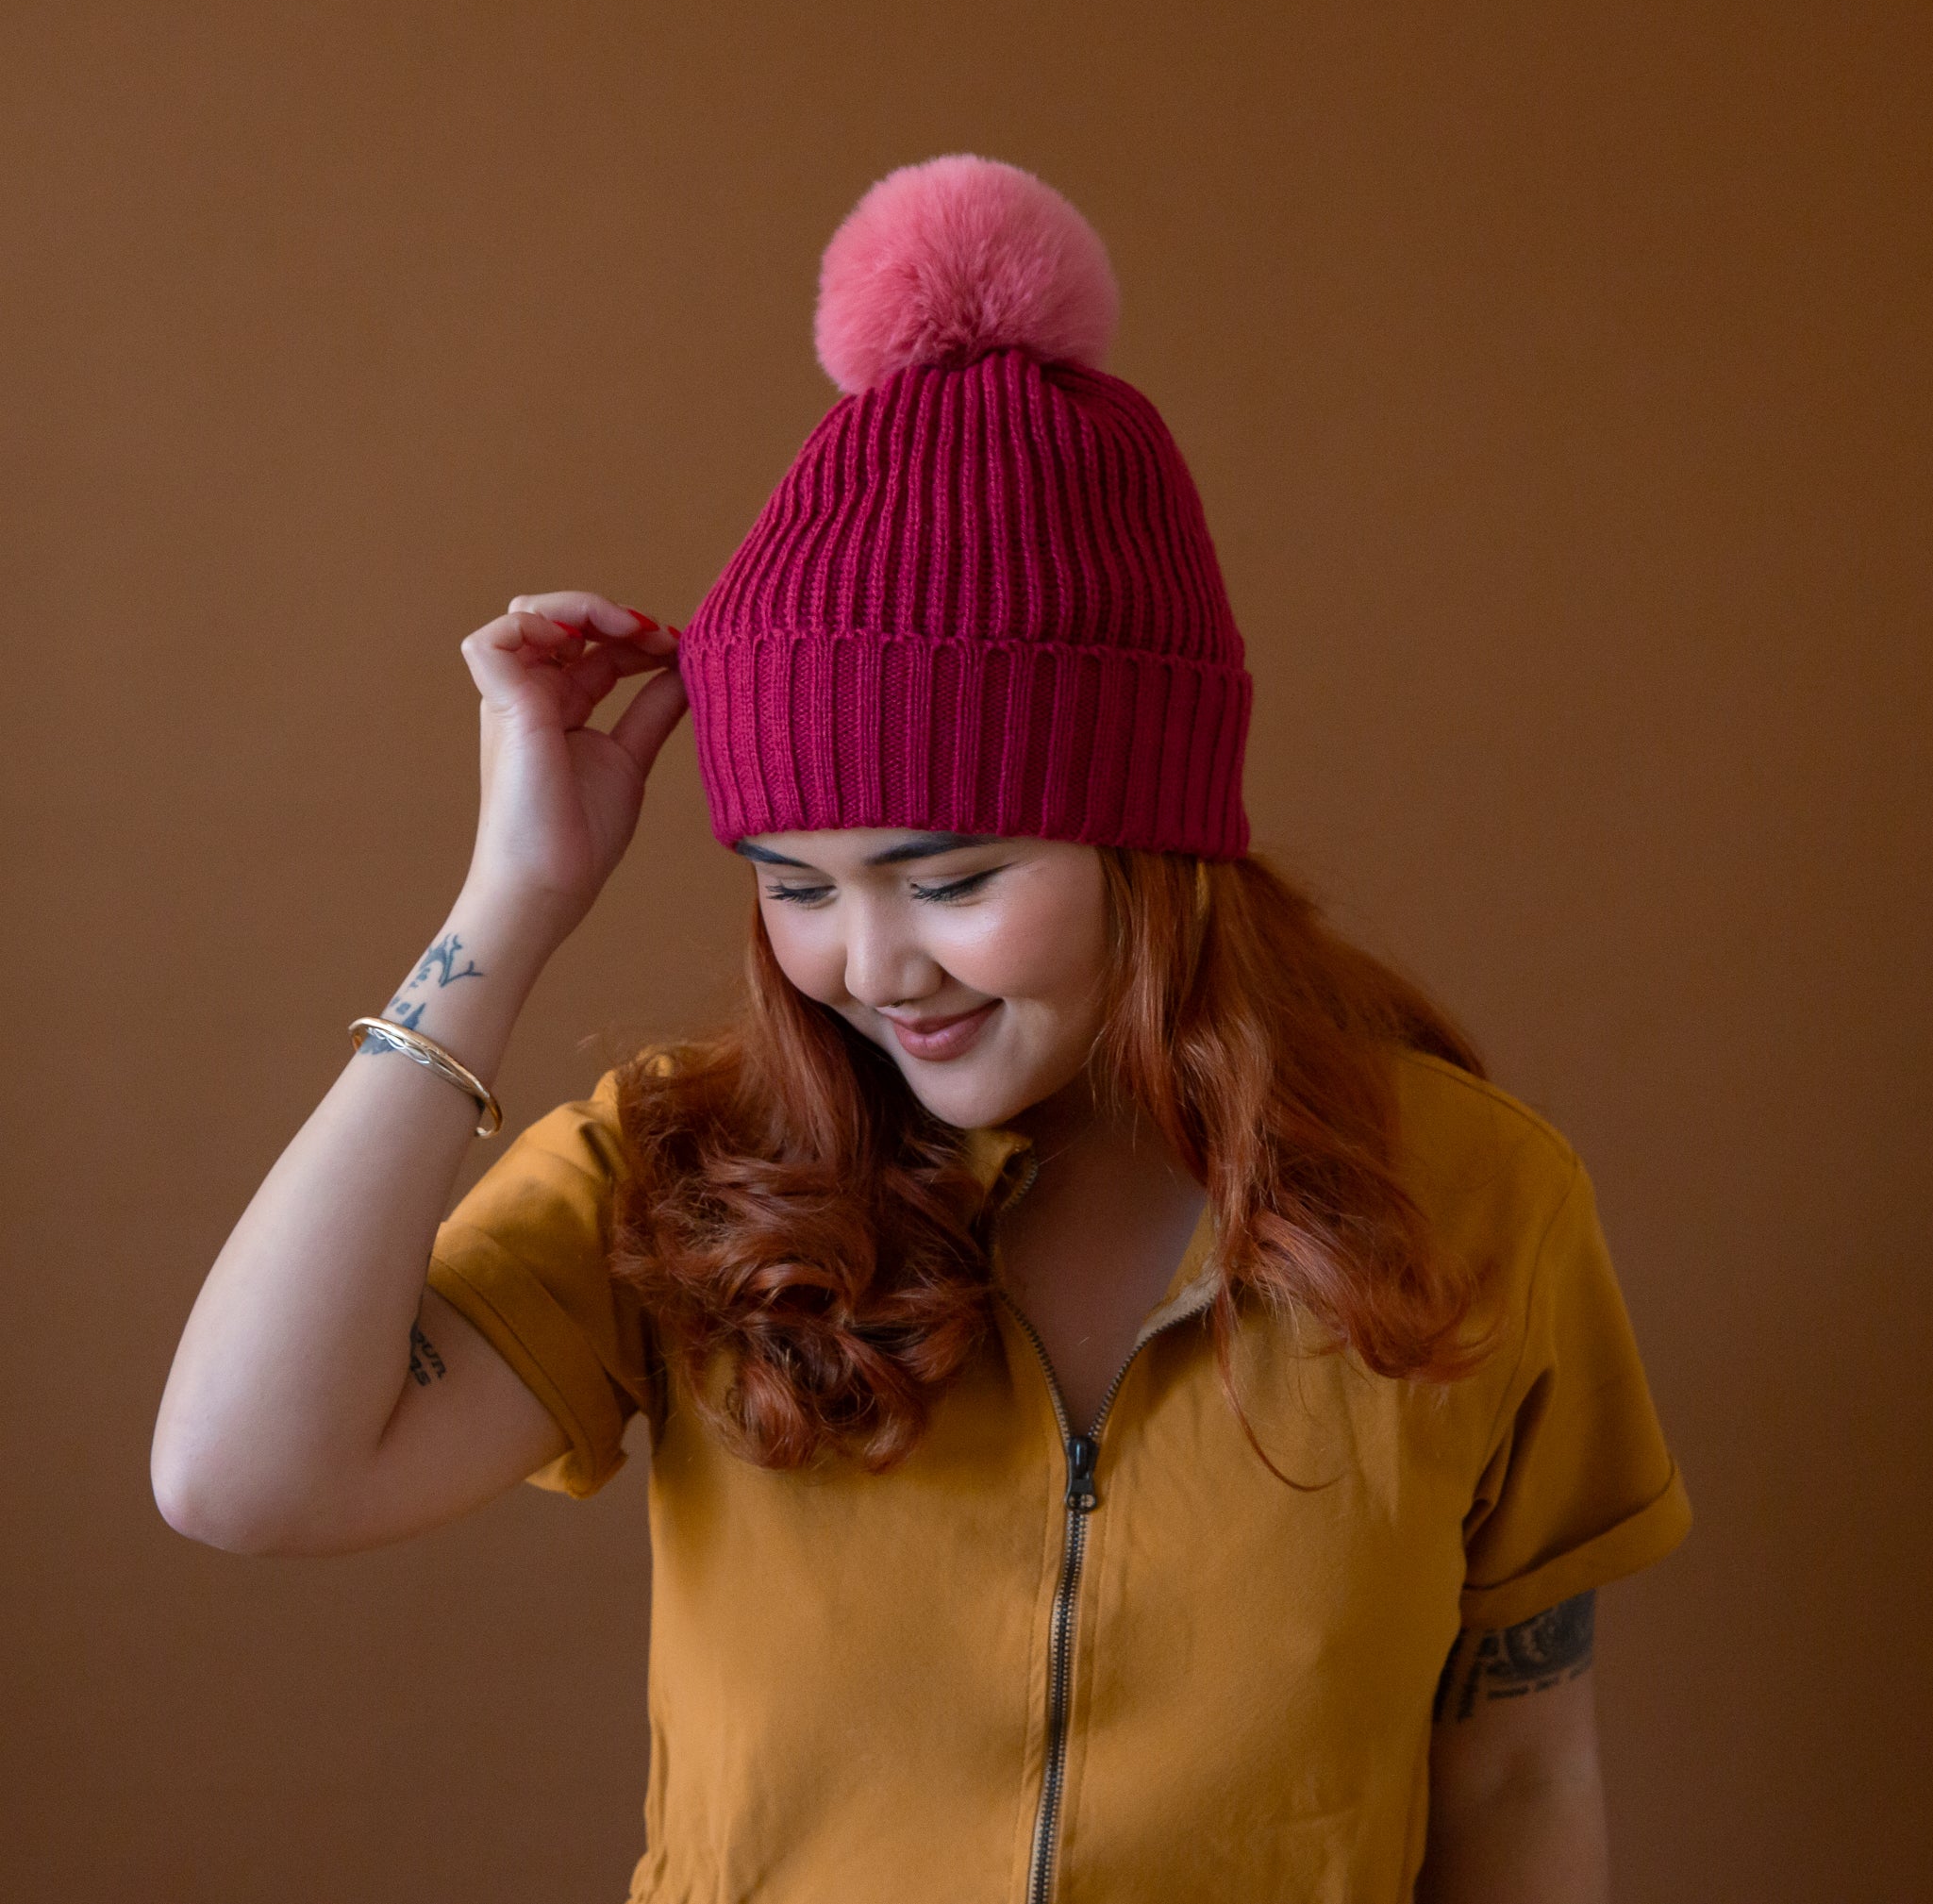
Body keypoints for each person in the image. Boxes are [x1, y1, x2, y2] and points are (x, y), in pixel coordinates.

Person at [152, 155, 1691, 1904]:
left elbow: (1517, 1775)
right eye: (791, 883)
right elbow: (239, 1475)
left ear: (1148, 835)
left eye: (948, 875)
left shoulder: (1474, 1200)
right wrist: (510, 901)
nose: (869, 964)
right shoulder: (686, 1173)